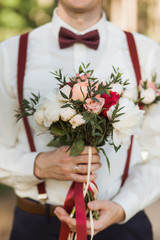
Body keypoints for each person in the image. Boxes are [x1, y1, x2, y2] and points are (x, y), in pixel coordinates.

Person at [0, 0, 160, 239]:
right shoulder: (10, 54)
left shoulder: (145, 52)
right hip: (37, 226)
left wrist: (123, 206)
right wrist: (37, 164)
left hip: (124, 226)